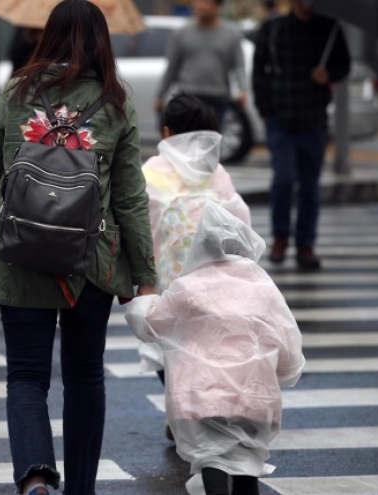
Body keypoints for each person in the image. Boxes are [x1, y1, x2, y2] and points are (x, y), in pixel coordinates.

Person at [0, 1, 157, 494]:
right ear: (102, 42)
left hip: (19, 254)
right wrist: (145, 275)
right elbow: (133, 197)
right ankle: (81, 489)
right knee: (85, 378)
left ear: (46, 36)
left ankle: (34, 479)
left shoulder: (17, 92)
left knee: (26, 378)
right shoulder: (115, 102)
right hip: (89, 263)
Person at [125, 199, 305, 495]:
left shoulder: (189, 288)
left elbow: (151, 324)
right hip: (255, 397)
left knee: (212, 460)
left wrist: (143, 297)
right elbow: (289, 350)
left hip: (202, 398)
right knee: (247, 465)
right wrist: (278, 373)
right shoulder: (263, 288)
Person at [138, 94, 252, 426]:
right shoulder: (215, 171)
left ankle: (181, 412)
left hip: (167, 281)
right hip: (216, 277)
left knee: (167, 349)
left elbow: (139, 221)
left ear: (167, 132)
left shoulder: (153, 170)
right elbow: (239, 218)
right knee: (208, 347)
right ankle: (205, 407)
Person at [252, 0, 350, 270]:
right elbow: (258, 72)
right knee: (283, 180)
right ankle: (280, 236)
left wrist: (328, 74)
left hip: (313, 120)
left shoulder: (328, 29)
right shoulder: (272, 29)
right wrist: (266, 110)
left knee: (310, 186)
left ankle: (306, 244)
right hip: (280, 120)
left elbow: (344, 66)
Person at [154, 0, 247, 127]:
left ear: (216, 6)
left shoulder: (231, 35)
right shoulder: (181, 33)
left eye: (204, 2)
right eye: (196, 2)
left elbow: (239, 66)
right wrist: (160, 95)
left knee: (212, 141)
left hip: (217, 98)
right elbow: (171, 67)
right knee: (188, 141)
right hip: (188, 97)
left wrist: (242, 90)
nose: (199, 6)